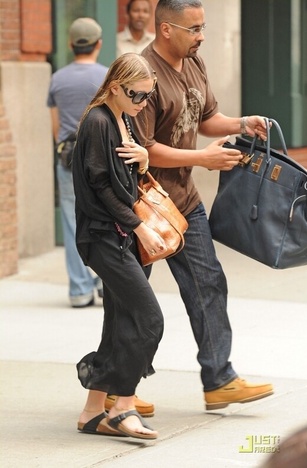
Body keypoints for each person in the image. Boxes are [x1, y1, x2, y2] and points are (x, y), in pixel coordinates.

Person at [132, 0, 274, 410]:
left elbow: (205, 117)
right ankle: (114, 388)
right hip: (144, 207)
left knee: (208, 283)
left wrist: (240, 123)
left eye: (203, 27)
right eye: (194, 29)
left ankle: (219, 379)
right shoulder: (144, 74)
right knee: (133, 300)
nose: (201, 36)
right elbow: (142, 149)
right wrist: (202, 158)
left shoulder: (193, 63)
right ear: (166, 30)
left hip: (185, 202)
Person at [72, 53, 164, 439]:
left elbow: (128, 183)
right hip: (104, 236)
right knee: (149, 320)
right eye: (137, 95)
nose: (143, 103)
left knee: (121, 321)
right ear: (115, 87)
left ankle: (93, 412)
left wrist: (143, 161)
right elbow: (101, 187)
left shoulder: (124, 118)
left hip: (121, 236)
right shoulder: (98, 122)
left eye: (148, 96)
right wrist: (139, 227)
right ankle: (122, 405)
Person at [47, 18, 108, 308]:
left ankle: (80, 290)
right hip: (100, 160)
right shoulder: (107, 76)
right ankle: (105, 282)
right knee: (106, 221)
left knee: (73, 224)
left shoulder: (57, 78)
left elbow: (55, 125)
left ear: (71, 45)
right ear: (99, 44)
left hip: (68, 158)